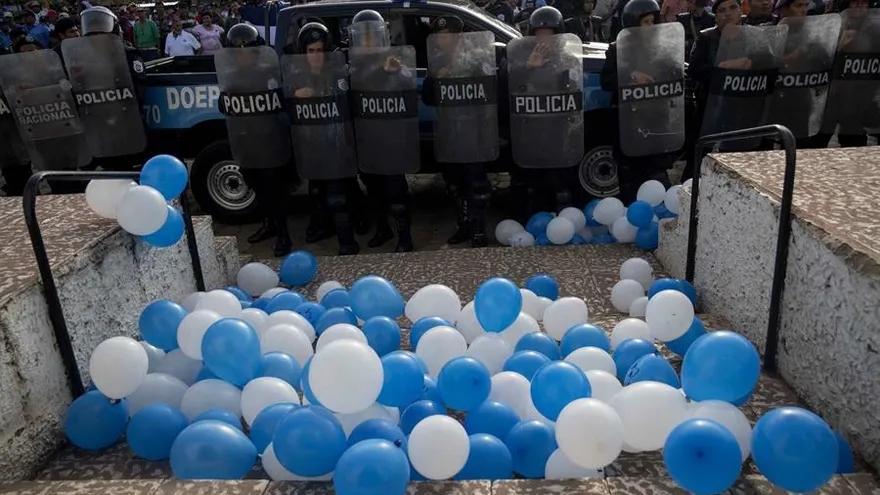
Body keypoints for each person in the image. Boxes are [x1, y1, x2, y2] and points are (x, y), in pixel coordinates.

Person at [285, 22, 363, 255]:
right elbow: (285, 112)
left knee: (337, 197)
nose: (316, 56)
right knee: (318, 192)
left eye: (320, 50)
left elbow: (350, 104)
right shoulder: (297, 77)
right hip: (311, 146)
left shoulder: (338, 73)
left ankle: (347, 243)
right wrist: (295, 97)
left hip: (337, 144)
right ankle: (323, 227)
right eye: (311, 51)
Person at [423, 16, 498, 246]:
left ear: (458, 36)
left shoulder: (475, 59)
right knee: (455, 184)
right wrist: (436, 81)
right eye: (441, 36)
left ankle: (478, 230)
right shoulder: (436, 61)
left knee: (475, 183)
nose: (444, 40)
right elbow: (427, 98)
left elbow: (489, 93)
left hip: (473, 130)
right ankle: (463, 227)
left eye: (448, 35)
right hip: (449, 132)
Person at [348, 9, 418, 252]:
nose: (368, 41)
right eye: (363, 36)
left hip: (392, 139)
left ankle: (404, 236)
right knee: (374, 190)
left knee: (395, 191)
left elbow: (409, 81)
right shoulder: (353, 65)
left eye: (372, 35)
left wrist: (396, 71)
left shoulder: (394, 59)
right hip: (367, 138)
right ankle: (383, 229)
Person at [221, 23, 292, 256]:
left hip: (269, 140)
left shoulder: (269, 72)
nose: (242, 55)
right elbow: (224, 105)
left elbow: (282, 102)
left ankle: (283, 235)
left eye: (246, 50)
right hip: (246, 141)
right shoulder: (230, 76)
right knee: (256, 187)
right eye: (237, 51)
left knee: (274, 190)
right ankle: (269, 226)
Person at [601, 0, 682, 201]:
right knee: (629, 183)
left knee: (658, 181)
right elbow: (606, 80)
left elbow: (676, 77)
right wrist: (631, 75)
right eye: (646, 22)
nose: (652, 26)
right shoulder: (617, 49)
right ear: (633, 24)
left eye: (653, 21)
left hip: (656, 125)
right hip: (628, 126)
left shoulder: (665, 49)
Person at [509, 6, 583, 219]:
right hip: (532, 136)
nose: (544, 41)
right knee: (531, 191)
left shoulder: (569, 59)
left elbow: (575, 93)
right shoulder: (520, 60)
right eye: (539, 36)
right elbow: (509, 87)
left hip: (558, 135)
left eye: (549, 36)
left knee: (562, 189)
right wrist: (529, 67)